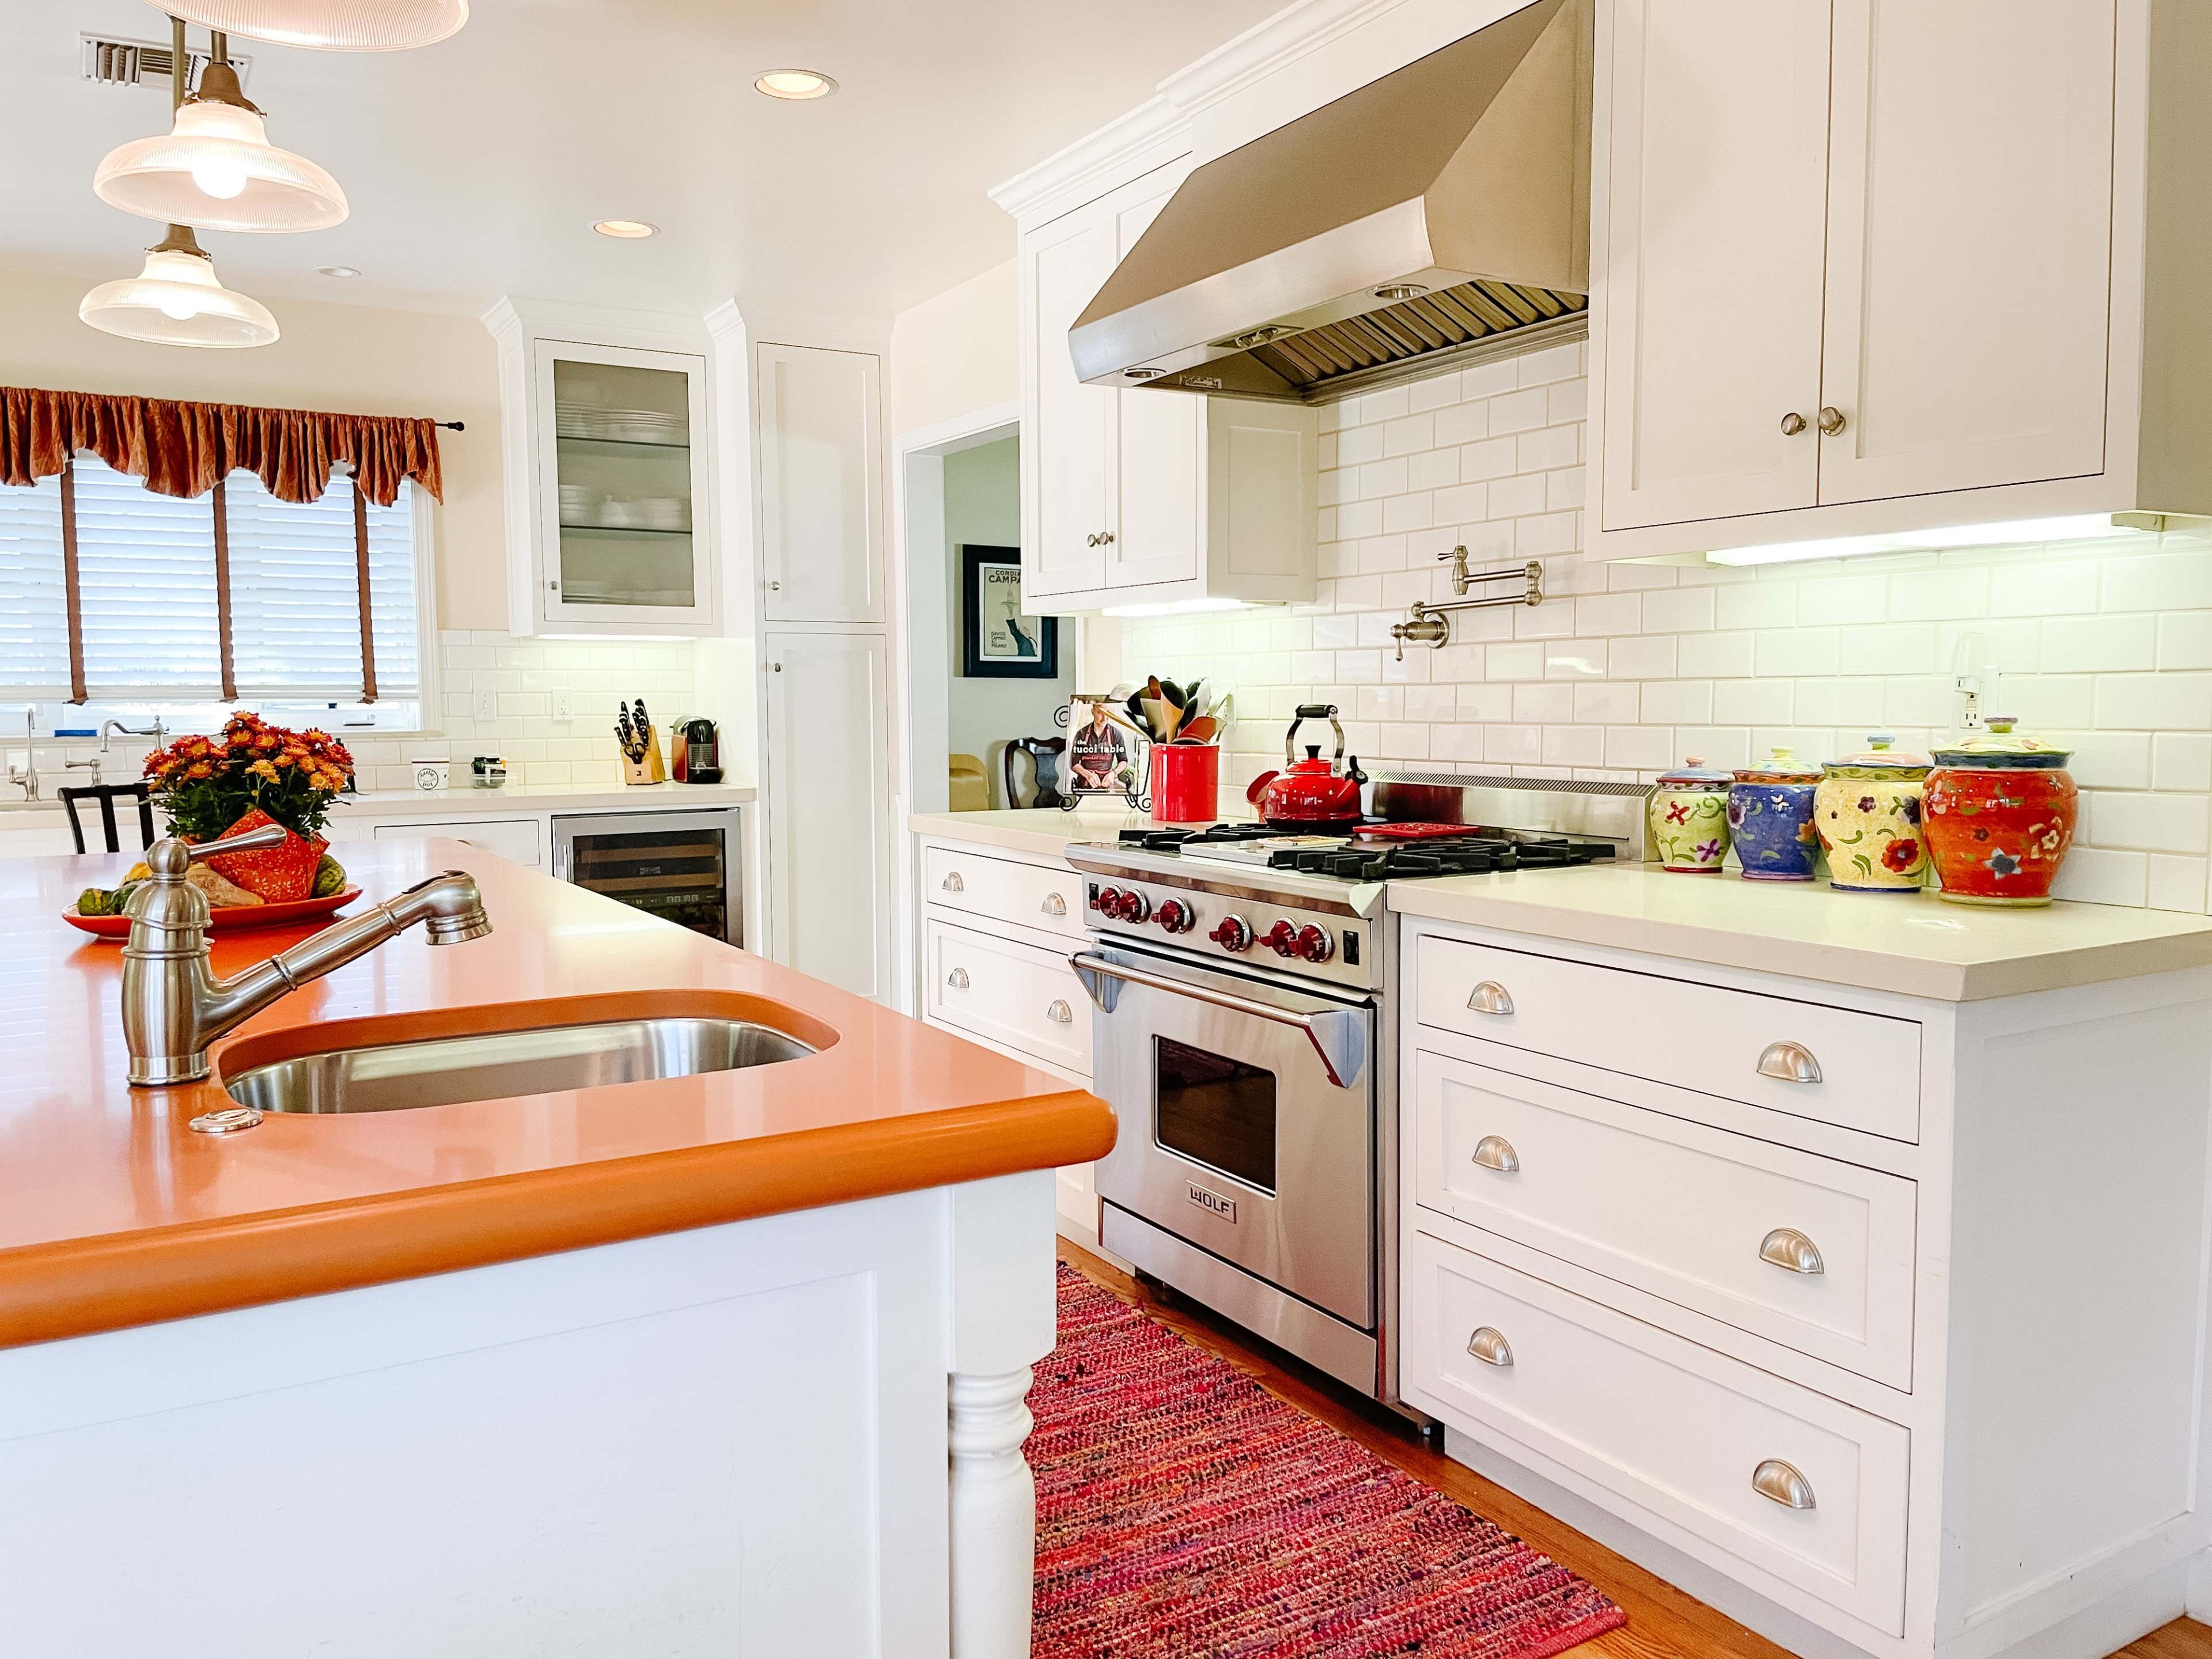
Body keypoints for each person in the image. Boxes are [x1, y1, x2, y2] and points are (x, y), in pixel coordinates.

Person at [1066, 701, 1127, 793]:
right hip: (1084, 785)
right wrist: (1088, 775)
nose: (1104, 718)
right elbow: (1074, 763)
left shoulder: (1116, 734)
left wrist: (1114, 773)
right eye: (1100, 713)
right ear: (1093, 712)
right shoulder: (1081, 734)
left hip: (1107, 785)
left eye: (1107, 713)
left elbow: (1123, 761)